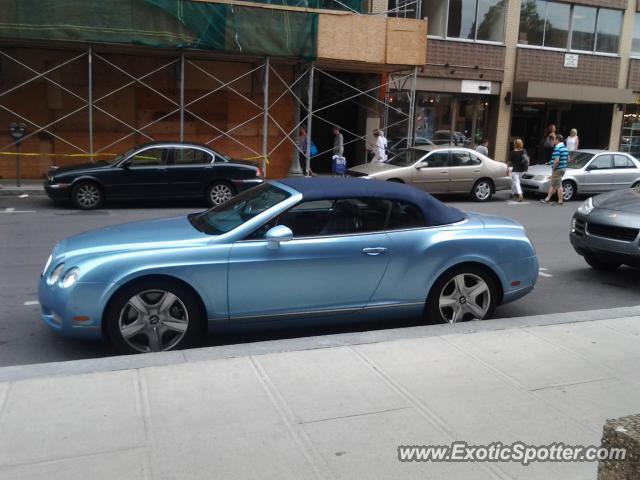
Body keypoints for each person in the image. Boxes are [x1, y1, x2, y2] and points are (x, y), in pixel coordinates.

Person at [541, 134, 568, 205]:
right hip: (563, 168)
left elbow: (557, 160)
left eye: (554, 139)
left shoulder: (557, 148)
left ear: (557, 140)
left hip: (558, 169)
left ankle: (560, 201)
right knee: (553, 184)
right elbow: (568, 158)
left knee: (558, 185)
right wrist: (550, 162)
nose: (553, 141)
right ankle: (547, 199)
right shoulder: (565, 148)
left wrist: (553, 168)